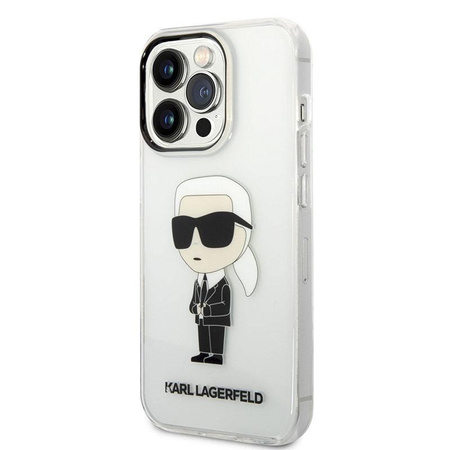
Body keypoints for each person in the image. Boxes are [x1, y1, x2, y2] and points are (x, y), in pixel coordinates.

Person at [172, 176, 258, 365]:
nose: (196, 242)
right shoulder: (198, 282)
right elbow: (193, 300)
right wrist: (195, 308)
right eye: (183, 229)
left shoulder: (222, 284)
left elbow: (224, 305)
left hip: (216, 319)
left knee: (216, 336)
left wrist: (207, 309)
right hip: (202, 318)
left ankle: (217, 355)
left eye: (216, 229)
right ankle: (204, 353)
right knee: (203, 334)